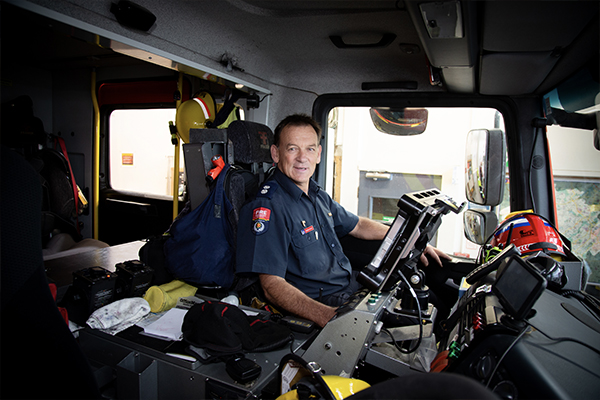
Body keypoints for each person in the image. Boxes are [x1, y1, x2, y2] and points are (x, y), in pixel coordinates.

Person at [236, 114, 450, 327]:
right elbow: (271, 286)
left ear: (319, 154)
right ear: (276, 153)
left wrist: (410, 239)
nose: (303, 157)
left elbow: (358, 225)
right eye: (292, 149)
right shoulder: (268, 206)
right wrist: (330, 318)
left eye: (310, 149)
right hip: (323, 301)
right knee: (416, 323)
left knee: (427, 301)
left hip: (350, 284)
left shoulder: (316, 194)